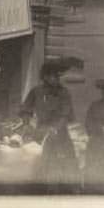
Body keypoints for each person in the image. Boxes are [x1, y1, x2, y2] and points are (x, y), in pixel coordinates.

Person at [20, 59, 80, 194]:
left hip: (60, 133)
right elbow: (26, 109)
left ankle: (71, 190)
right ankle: (43, 189)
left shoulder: (64, 93)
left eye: (58, 76)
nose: (57, 79)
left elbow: (65, 114)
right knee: (42, 161)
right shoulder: (36, 92)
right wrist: (26, 124)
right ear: (45, 77)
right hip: (42, 132)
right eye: (54, 76)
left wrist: (56, 128)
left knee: (67, 161)